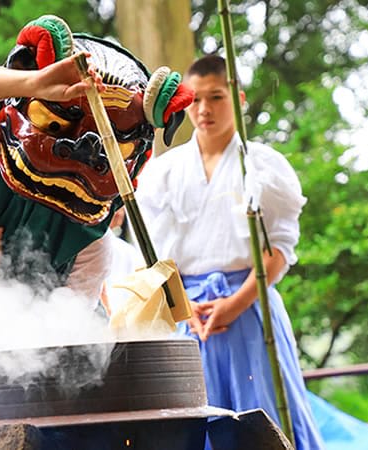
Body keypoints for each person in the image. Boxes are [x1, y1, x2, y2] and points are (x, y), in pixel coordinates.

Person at [0, 15, 193, 450]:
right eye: (57, 123)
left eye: (108, 141)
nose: (80, 147)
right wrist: (32, 84)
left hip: (33, 369)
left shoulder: (93, 243)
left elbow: (62, 330)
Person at [135, 54, 325, 449]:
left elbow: (280, 250)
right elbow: (153, 253)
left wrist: (235, 305)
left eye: (216, 97)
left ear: (237, 98)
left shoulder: (264, 165)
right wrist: (184, 303)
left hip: (250, 307)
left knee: (266, 416)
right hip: (188, 313)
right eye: (197, 99)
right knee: (195, 424)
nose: (204, 109)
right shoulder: (164, 172)